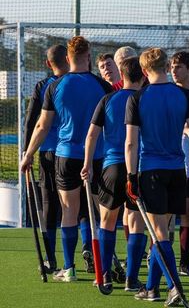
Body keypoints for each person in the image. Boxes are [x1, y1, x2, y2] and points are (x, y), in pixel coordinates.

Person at [20, 36, 112, 282]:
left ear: (68, 58)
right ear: (88, 56)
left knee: (69, 211)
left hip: (67, 156)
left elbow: (41, 125)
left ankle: (69, 268)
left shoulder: (55, 86)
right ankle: (102, 268)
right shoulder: (102, 86)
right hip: (97, 156)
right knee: (101, 213)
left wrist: (28, 154)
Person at [124, 47, 189, 304]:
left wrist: (131, 175)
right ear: (167, 66)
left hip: (151, 170)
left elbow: (130, 143)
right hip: (177, 170)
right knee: (161, 233)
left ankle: (174, 287)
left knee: (159, 233)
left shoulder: (138, 98)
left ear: (145, 70)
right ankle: (151, 288)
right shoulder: (184, 94)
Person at [81, 57, 146, 292]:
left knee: (107, 223)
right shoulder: (143, 99)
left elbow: (91, 135)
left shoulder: (108, 99)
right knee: (136, 222)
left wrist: (87, 163)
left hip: (111, 169)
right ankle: (131, 278)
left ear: (122, 72)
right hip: (138, 169)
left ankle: (104, 275)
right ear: (144, 75)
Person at [23, 44, 69, 273]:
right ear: (68, 59)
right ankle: (89, 256)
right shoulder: (83, 82)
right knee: (79, 209)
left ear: (47, 63)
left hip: (50, 153)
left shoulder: (44, 86)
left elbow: (32, 122)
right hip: (80, 153)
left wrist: (26, 152)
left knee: (50, 205)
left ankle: (51, 259)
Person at [170, 51, 189, 277]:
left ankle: (185, 262)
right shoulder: (168, 94)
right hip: (171, 163)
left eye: (179, 66)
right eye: (172, 66)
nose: (174, 70)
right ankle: (159, 257)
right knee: (165, 214)